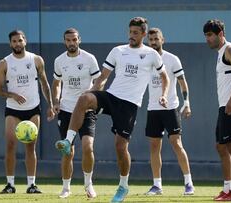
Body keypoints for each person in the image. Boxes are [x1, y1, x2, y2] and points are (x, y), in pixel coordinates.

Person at [55, 17, 170, 202]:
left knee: (120, 147)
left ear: (143, 34)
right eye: (130, 32)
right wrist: (92, 93)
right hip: (111, 96)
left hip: (130, 105)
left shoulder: (151, 54)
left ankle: (123, 186)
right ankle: (68, 141)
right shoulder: (118, 51)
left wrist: (163, 94)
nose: (131, 36)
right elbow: (103, 78)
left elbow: (165, 78)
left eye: (135, 33)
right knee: (84, 98)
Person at [0, 30, 54, 194]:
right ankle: (10, 184)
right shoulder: (4, 63)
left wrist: (50, 105)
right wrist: (11, 94)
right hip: (13, 110)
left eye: (20, 40)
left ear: (25, 41)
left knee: (30, 147)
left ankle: (31, 185)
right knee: (10, 145)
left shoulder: (36, 60)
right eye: (14, 41)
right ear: (10, 44)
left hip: (33, 109)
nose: (17, 44)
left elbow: (45, 84)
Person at [52, 28, 101, 199]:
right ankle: (66, 188)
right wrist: (56, 102)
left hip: (87, 111)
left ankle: (89, 185)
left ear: (79, 39)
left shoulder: (89, 59)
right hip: (66, 111)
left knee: (88, 147)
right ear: (64, 41)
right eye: (68, 40)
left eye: (74, 39)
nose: (71, 43)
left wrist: (90, 97)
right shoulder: (59, 61)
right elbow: (56, 83)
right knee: (68, 152)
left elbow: (99, 83)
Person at [144, 27, 194, 196]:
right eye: (150, 40)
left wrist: (186, 102)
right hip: (152, 109)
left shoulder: (172, 59)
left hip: (171, 107)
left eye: (156, 39)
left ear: (162, 40)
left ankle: (188, 183)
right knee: (154, 147)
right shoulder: (144, 60)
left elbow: (182, 83)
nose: (153, 42)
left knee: (176, 143)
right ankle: (157, 185)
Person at [203, 19, 231, 201]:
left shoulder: (229, 49)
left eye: (210, 35)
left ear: (220, 34)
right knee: (221, 147)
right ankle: (227, 189)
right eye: (206, 36)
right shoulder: (220, 52)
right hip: (224, 106)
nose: (207, 39)